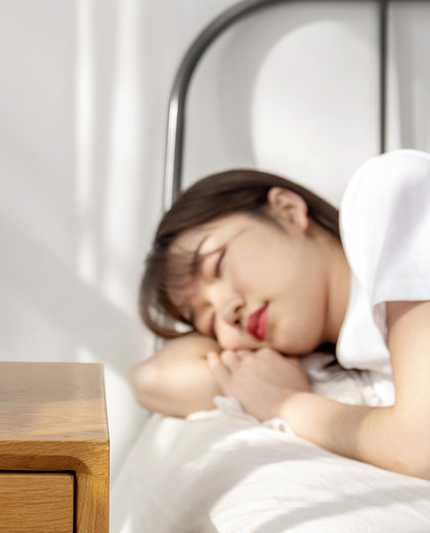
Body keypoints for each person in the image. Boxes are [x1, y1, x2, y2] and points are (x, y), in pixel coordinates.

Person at [129, 148, 430, 480]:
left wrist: (284, 404)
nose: (227, 312)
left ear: (287, 210)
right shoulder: (333, 368)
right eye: (208, 321)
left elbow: (420, 445)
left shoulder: (390, 194)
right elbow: (151, 379)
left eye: (218, 264)